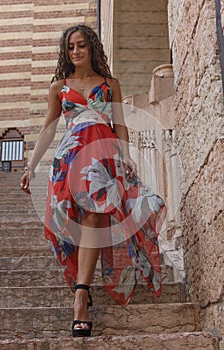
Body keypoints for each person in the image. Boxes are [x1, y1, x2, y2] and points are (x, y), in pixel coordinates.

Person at [20, 24, 166, 338]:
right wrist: (31, 166)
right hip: (70, 158)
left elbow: (120, 125)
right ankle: (82, 287)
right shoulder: (59, 87)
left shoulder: (110, 84)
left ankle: (81, 295)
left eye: (82, 45)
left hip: (103, 155)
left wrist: (125, 155)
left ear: (92, 48)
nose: (76, 52)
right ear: (66, 51)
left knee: (95, 215)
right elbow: (48, 128)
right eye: (71, 47)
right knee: (77, 222)